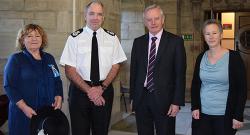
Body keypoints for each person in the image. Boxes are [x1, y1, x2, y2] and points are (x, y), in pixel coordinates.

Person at [60, 1, 127, 135]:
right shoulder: (74, 38)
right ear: (85, 16)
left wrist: (101, 88)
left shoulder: (112, 38)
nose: (95, 18)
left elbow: (116, 65)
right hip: (79, 92)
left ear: (103, 18)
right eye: (91, 14)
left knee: (101, 131)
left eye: (99, 14)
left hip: (104, 90)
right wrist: (90, 91)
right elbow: (69, 69)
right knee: (79, 131)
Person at [130, 4, 186, 135]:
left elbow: (180, 74)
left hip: (165, 99)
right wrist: (133, 97)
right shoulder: (138, 42)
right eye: (149, 19)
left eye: (156, 18)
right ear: (145, 22)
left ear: (163, 19)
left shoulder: (175, 42)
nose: (153, 22)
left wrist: (176, 102)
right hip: (141, 98)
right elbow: (134, 72)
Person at [4, 24, 63, 135]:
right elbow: (9, 86)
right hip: (23, 114)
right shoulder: (16, 59)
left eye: (37, 35)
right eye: (29, 36)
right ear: (22, 40)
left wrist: (59, 96)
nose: (34, 39)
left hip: (46, 113)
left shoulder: (49, 58)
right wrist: (24, 107)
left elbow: (57, 80)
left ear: (42, 39)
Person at [191, 19, 247, 135]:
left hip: (225, 115)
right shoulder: (200, 57)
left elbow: (242, 89)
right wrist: (195, 106)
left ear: (221, 35)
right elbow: (195, 84)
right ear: (204, 37)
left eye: (214, 33)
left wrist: (238, 115)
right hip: (202, 114)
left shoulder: (234, 58)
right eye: (207, 33)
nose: (211, 37)